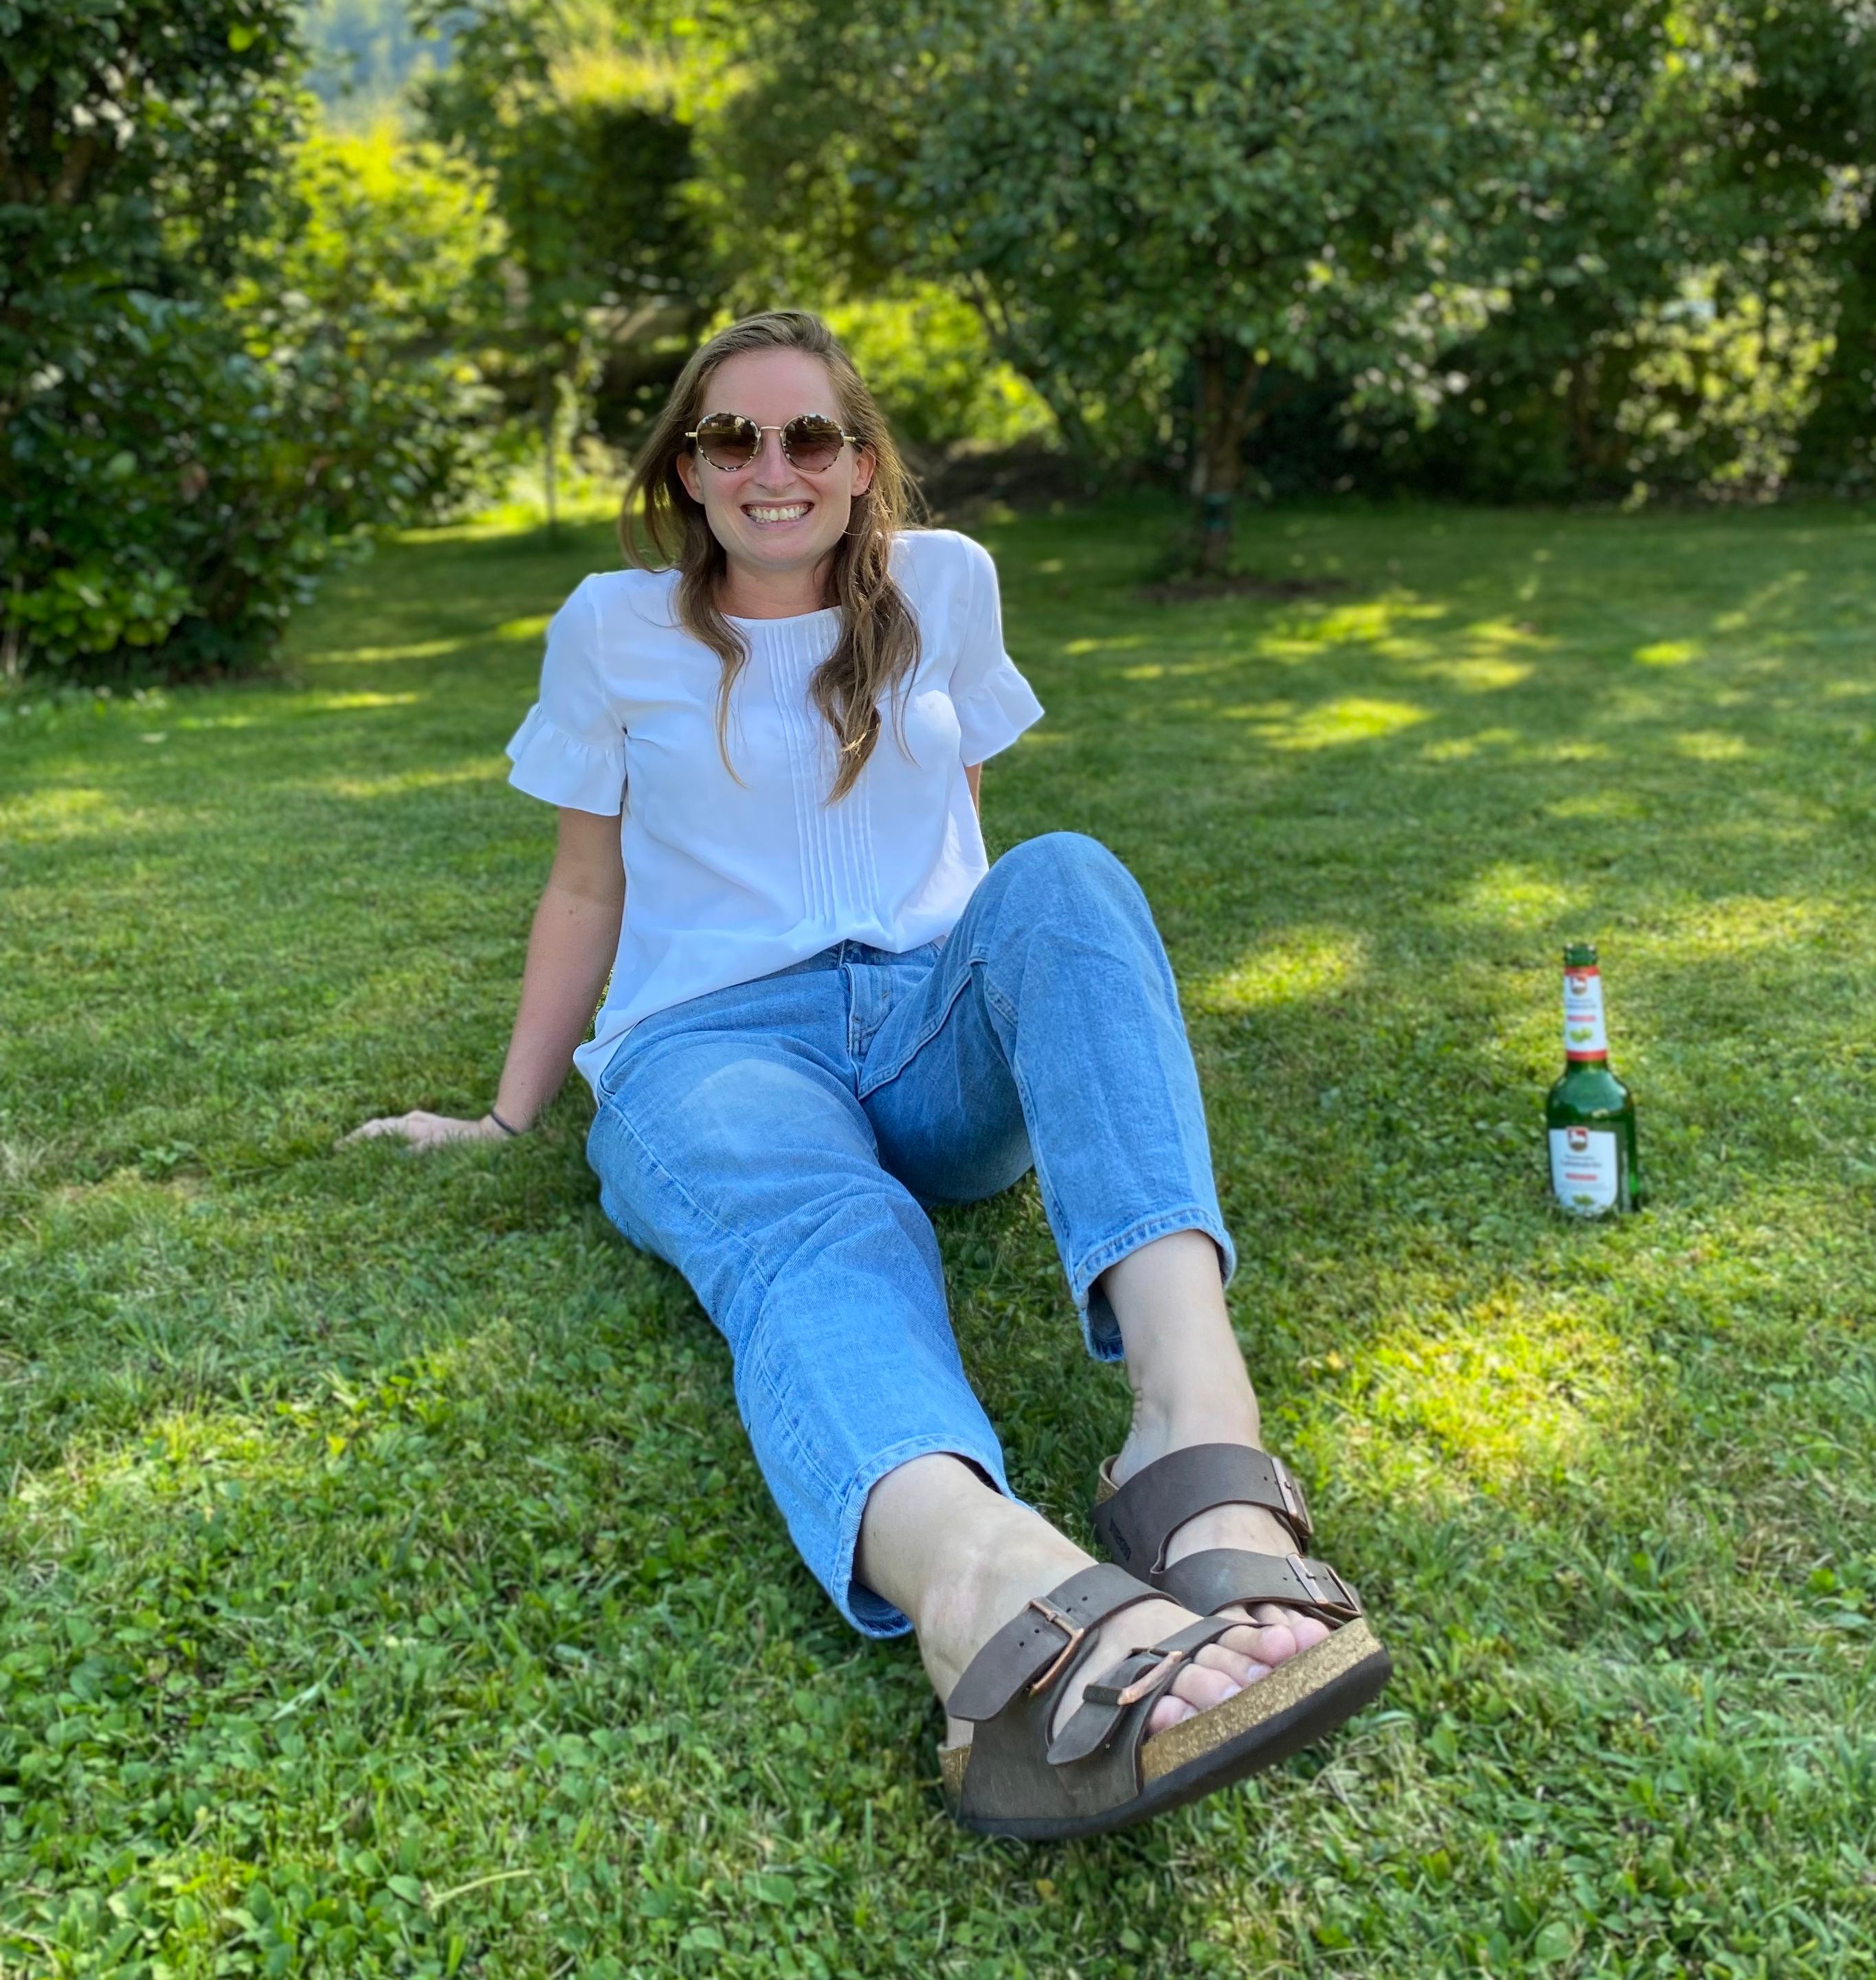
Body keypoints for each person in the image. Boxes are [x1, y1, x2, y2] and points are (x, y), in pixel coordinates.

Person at [351, 311, 1387, 1838]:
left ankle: (1195, 1436)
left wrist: (1007, 992)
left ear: (859, 463)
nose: (771, 468)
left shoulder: (946, 585)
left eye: (810, 437)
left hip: (922, 1028)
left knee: (1067, 874)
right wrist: (513, 1115)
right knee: (828, 1223)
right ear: (687, 469)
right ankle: (977, 1581)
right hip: (711, 1043)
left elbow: (963, 828)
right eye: (731, 438)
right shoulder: (611, 627)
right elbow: (584, 884)